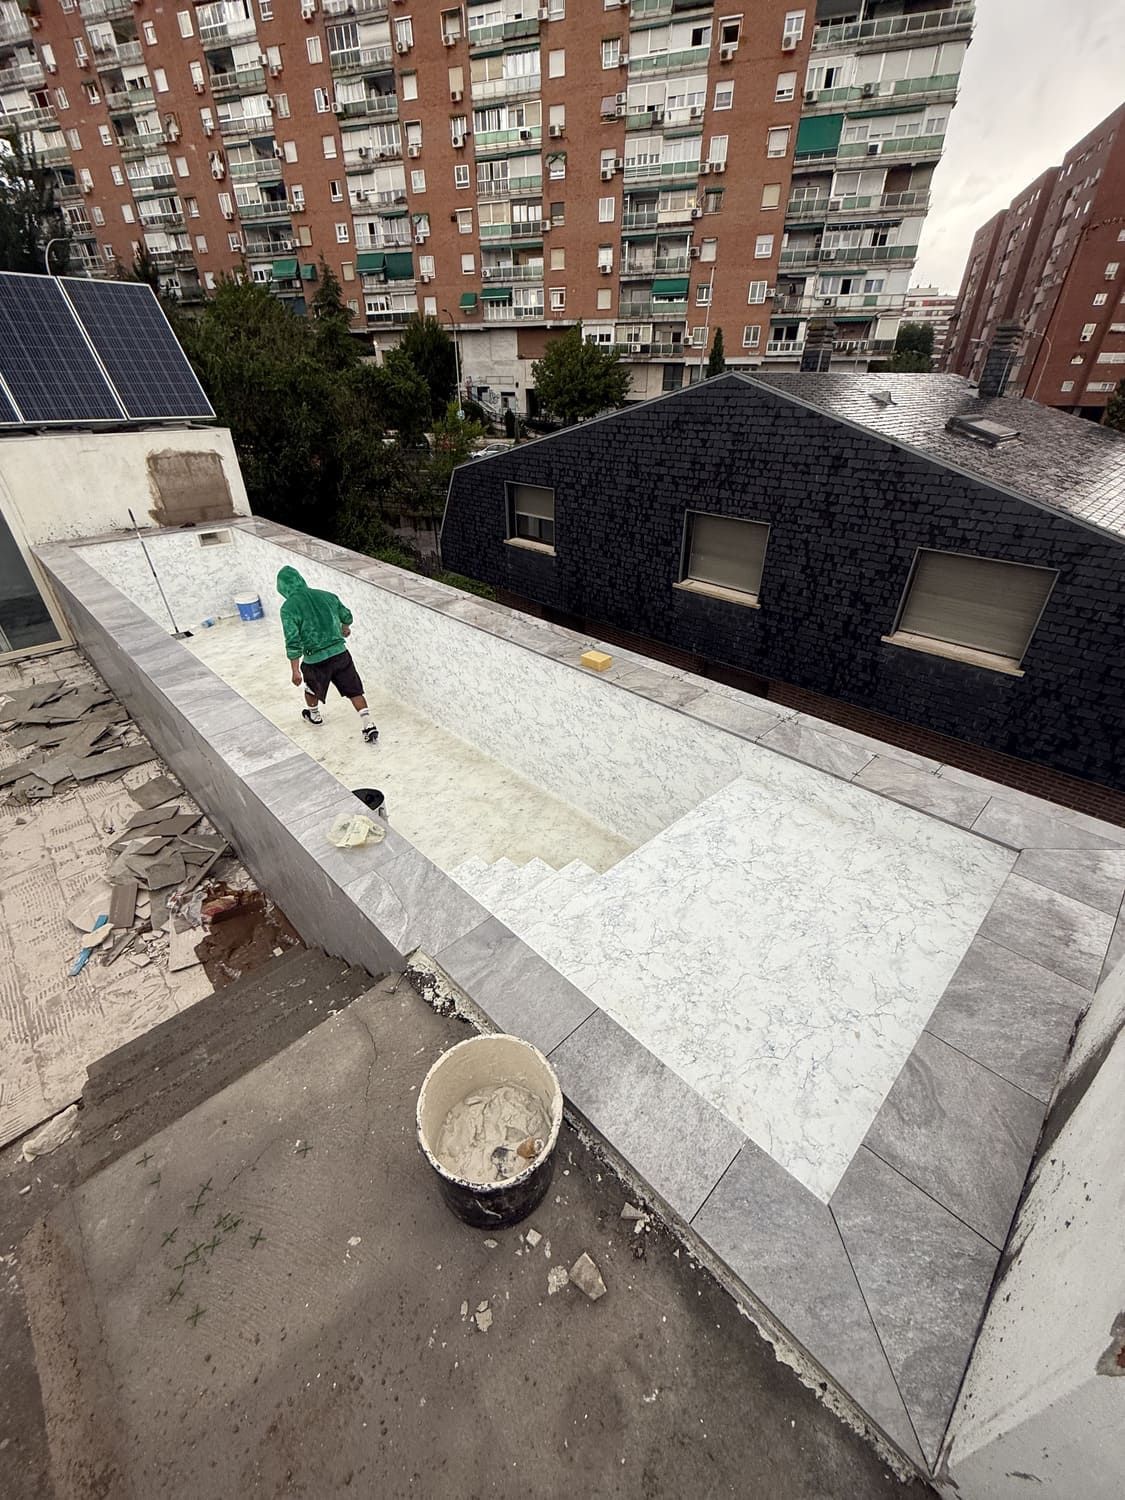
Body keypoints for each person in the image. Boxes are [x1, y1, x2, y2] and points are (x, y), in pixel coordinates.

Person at [276, 566, 378, 744]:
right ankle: (368, 724)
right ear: (301, 579)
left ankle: (314, 715)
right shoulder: (326, 595)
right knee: (354, 690)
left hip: (315, 660)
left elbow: (292, 641)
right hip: (340, 654)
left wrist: (295, 670)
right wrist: (345, 627)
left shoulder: (288, 608)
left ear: (282, 587)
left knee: (311, 688)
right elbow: (346, 615)